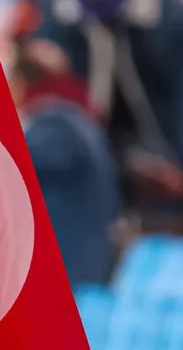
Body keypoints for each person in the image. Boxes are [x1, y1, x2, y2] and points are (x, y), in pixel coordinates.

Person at [37, 0, 183, 196]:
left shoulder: (164, 11)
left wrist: (180, 163)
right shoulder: (60, 13)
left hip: (165, 152)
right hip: (96, 154)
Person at [8, 41, 119, 285]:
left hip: (72, 266)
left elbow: (12, 165)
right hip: (78, 261)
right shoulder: (71, 118)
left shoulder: (56, 124)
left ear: (20, 84)